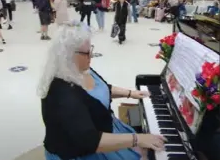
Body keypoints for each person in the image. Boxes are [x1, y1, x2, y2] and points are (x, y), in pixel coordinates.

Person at [38, 21, 166, 160]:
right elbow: (91, 141)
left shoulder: (79, 70)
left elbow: (100, 90)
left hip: (105, 130)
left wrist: (131, 93)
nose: (91, 56)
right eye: (87, 53)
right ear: (68, 55)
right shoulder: (63, 94)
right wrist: (138, 139)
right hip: (85, 150)